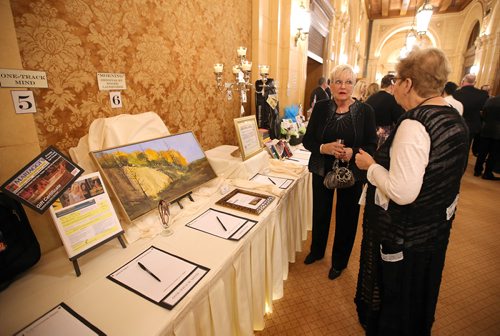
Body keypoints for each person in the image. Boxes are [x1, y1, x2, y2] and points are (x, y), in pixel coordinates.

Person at [354, 47, 469, 335]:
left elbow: (403, 192)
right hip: (434, 229)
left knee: (397, 302)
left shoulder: (414, 123)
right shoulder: (455, 116)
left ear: (407, 83)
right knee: (419, 296)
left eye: (396, 80)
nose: (393, 87)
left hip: (405, 234)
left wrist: (370, 166)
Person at [302, 64, 377, 280]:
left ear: (355, 86)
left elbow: (371, 146)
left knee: (347, 217)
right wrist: (322, 148)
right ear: (331, 84)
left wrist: (353, 152)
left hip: (352, 173)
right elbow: (308, 140)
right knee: (320, 212)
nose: (342, 86)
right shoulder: (321, 107)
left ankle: (339, 262)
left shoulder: (365, 111)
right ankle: (317, 251)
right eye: (338, 81)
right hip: (322, 169)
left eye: (348, 82)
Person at [453, 74, 489, 154]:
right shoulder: (483, 94)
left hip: (457, 124)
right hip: (473, 125)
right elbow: (484, 110)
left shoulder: (456, 93)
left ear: (463, 81)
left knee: (455, 148)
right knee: (466, 148)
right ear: (475, 82)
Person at [365, 74, 404, 148]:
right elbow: (399, 119)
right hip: (384, 139)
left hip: (368, 136)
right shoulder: (392, 99)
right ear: (392, 86)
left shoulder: (370, 98)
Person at [474, 94, 500, 180]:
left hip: (486, 128)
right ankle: (487, 173)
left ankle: (477, 170)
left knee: (482, 152)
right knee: (493, 154)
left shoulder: (490, 100)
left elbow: (483, 113)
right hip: (498, 132)